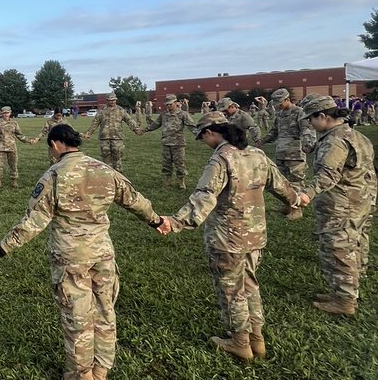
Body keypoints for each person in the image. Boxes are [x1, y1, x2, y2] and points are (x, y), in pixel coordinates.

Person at [0, 123, 164, 380]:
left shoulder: (54, 176)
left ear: (57, 144)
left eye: (50, 147)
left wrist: (1, 247)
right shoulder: (103, 169)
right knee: (105, 313)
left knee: (77, 318)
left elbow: (34, 221)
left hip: (71, 257)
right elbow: (135, 200)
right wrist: (156, 220)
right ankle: (101, 377)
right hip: (102, 255)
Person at [158, 112, 305, 360]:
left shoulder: (221, 159)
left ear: (211, 133)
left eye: (203, 137)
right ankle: (256, 339)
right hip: (255, 236)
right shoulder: (257, 155)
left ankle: (240, 341)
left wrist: (175, 222)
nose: (204, 142)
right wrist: (297, 201)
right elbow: (281, 186)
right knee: (249, 284)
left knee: (231, 290)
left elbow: (204, 196)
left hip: (227, 238)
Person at [298, 94, 376, 316]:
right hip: (362, 199)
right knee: (357, 243)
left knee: (339, 248)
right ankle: (346, 290)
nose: (311, 125)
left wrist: (307, 194)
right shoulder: (356, 135)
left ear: (322, 116)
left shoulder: (334, 141)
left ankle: (344, 300)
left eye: (311, 120)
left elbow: (327, 175)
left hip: (342, 204)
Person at [261, 89, 315, 218]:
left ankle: (296, 210)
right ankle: (288, 205)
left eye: (280, 102)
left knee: (296, 181)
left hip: (295, 153)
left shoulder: (299, 112)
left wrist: (308, 145)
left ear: (287, 99)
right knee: (282, 183)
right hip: (281, 152)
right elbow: (274, 131)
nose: (278, 105)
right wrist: (263, 141)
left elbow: (306, 131)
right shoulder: (280, 114)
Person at [145, 94, 196, 187]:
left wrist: (199, 135)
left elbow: (191, 126)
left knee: (180, 163)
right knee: (166, 163)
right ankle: (168, 180)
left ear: (176, 103)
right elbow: (156, 124)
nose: (168, 106)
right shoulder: (163, 115)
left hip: (178, 143)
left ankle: (181, 181)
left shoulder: (183, 114)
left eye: (170, 104)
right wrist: (145, 130)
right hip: (166, 142)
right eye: (167, 105)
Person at [84, 93, 143, 172]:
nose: (112, 102)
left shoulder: (120, 110)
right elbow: (95, 122)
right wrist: (89, 133)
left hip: (117, 138)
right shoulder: (102, 111)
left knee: (117, 158)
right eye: (110, 100)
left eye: (114, 100)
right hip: (104, 138)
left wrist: (136, 129)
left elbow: (129, 120)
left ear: (116, 100)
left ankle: (118, 177)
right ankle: (108, 177)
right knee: (106, 158)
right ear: (107, 101)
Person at [0, 106, 32, 188]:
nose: (6, 114)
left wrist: (28, 141)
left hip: (12, 147)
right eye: (4, 113)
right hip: (0, 147)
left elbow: (19, 135)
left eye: (7, 113)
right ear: (1, 113)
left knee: (13, 165)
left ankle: (14, 181)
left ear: (10, 113)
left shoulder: (14, 123)